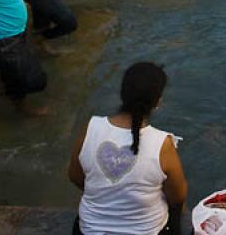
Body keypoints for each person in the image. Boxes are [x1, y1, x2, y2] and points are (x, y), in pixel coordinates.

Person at [69, 61, 187, 235]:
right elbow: (177, 197)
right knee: (178, 211)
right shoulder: (162, 143)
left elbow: (75, 176)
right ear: (158, 103)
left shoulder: (91, 127)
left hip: (88, 231)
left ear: (122, 95)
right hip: (149, 231)